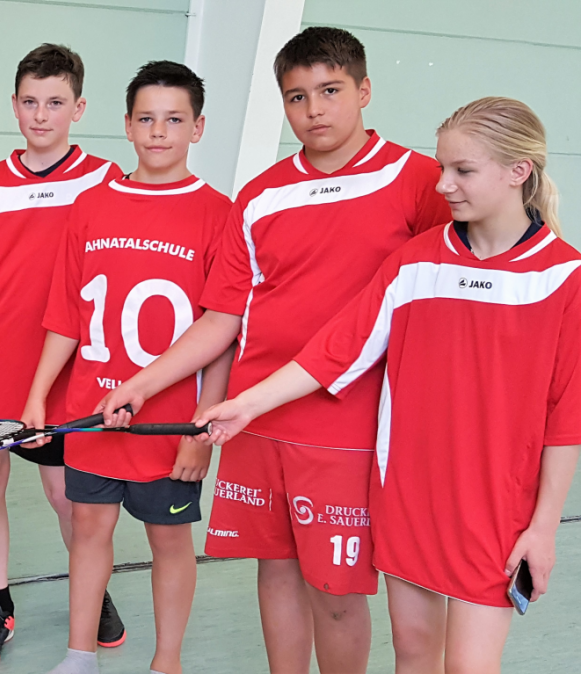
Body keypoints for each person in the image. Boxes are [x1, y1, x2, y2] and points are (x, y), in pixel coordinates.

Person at [98, 27, 452, 673]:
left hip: (352, 424)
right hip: (257, 416)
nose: (314, 110)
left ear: (364, 90)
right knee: (277, 571)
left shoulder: (419, 181)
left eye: (330, 91)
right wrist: (143, 382)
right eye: (296, 97)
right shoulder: (260, 195)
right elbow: (222, 318)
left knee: (337, 593)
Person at [195, 96, 580, 674]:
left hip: (497, 510)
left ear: (517, 171)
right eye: (442, 167)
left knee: (470, 666)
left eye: (463, 170)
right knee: (413, 655)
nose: (443, 184)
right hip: (407, 499)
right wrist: (245, 405)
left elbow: (565, 421)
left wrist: (543, 529)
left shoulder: (563, 278)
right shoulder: (415, 262)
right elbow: (336, 350)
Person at [25, 61, 232, 674]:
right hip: (91, 413)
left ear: (198, 128)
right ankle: (79, 654)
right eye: (146, 118)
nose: (159, 131)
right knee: (88, 528)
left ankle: (166, 660)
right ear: (126, 124)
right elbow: (66, 315)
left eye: (174, 119)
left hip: (169, 425)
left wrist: (201, 429)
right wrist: (38, 395)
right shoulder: (91, 205)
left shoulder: (218, 214)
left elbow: (222, 334)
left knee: (169, 540)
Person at [0, 43, 123, 667]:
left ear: (78, 109)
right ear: (14, 105)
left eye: (55, 103)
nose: (42, 115)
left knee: (67, 496)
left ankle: (92, 589)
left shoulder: (106, 180)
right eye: (31, 102)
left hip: (68, 375)